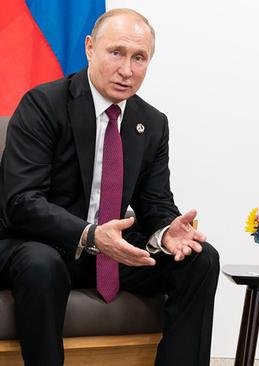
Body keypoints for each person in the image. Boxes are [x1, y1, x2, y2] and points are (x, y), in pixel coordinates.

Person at [0, 8, 219, 366]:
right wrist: (89, 235)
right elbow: (21, 202)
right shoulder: (43, 105)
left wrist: (167, 232)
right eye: (116, 52)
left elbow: (155, 203)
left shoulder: (151, 123)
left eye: (139, 58)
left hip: (107, 252)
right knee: (42, 263)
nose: (127, 70)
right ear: (90, 48)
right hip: (36, 244)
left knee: (200, 260)